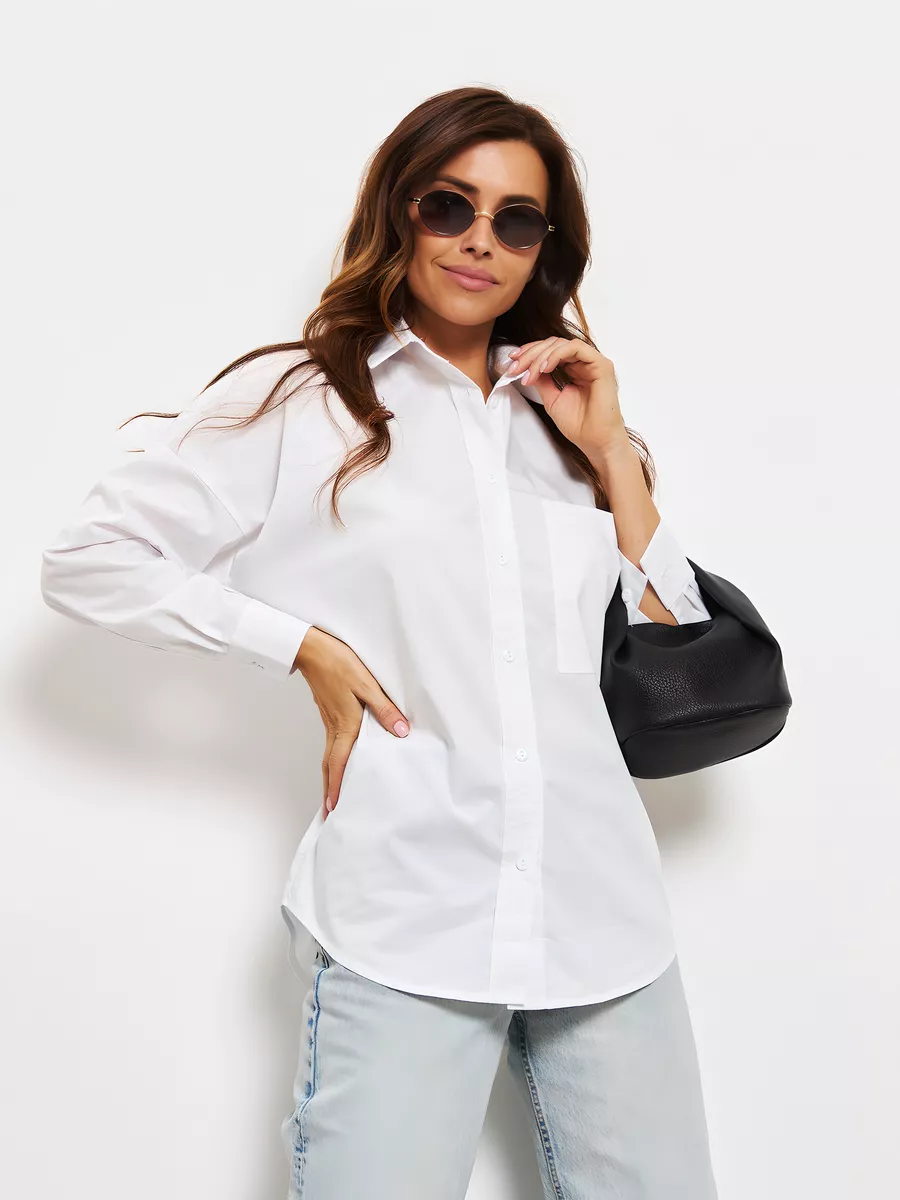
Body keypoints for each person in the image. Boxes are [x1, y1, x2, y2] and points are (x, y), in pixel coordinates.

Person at [40, 85, 719, 1199]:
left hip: (602, 912)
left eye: (516, 220)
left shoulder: (571, 424)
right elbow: (92, 559)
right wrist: (296, 642)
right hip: (408, 906)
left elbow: (678, 657)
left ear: (544, 249)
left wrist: (612, 458)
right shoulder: (303, 400)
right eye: (450, 205)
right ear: (399, 210)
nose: (480, 240)